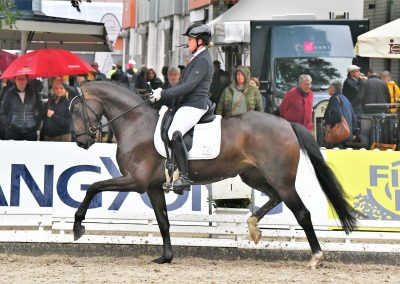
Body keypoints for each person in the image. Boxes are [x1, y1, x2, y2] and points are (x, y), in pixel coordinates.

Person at [149, 23, 214, 193]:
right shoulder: (197, 58)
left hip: (195, 104)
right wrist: (162, 95)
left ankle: (184, 177)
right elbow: (182, 84)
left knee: (174, 132)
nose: (188, 42)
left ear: (200, 41)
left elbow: (189, 86)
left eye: (191, 39)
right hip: (187, 103)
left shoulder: (203, 60)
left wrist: (164, 93)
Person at [0, 74, 45, 141]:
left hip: (30, 132)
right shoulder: (9, 93)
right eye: (19, 79)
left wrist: (36, 123)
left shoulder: (34, 93)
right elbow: (3, 112)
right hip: (13, 132)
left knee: (30, 151)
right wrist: (8, 124)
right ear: (15, 80)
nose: (21, 81)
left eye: (23, 79)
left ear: (27, 80)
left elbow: (41, 111)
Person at [324, 79, 357, 148]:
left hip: (339, 135)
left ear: (333, 88)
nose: (328, 89)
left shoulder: (334, 98)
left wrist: (326, 121)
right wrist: (354, 131)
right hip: (348, 134)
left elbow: (338, 116)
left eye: (329, 87)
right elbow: (353, 116)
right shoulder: (345, 98)